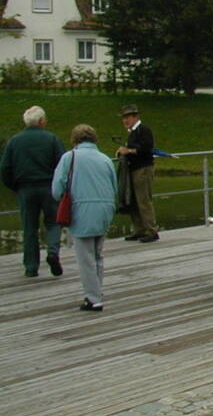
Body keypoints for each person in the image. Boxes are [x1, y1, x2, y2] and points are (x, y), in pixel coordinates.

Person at [51, 124, 117, 312]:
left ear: (75, 139)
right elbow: (114, 187)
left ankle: (93, 298)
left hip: (82, 210)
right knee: (98, 254)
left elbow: (57, 189)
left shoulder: (69, 158)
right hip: (105, 209)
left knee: (85, 257)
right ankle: (97, 290)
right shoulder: (105, 159)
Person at [1, 106, 65, 277]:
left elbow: (5, 168)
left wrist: (15, 186)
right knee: (53, 222)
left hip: (25, 189)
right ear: (42, 121)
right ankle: (52, 252)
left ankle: (31, 267)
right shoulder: (52, 139)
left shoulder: (14, 141)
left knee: (29, 227)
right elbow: (63, 165)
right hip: (49, 187)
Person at [116, 104, 159, 242]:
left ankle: (151, 230)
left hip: (143, 169)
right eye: (124, 118)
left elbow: (147, 148)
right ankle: (140, 229)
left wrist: (128, 151)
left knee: (143, 199)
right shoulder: (133, 132)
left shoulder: (143, 130)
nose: (125, 120)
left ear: (136, 117)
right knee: (134, 200)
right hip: (134, 169)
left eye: (128, 117)